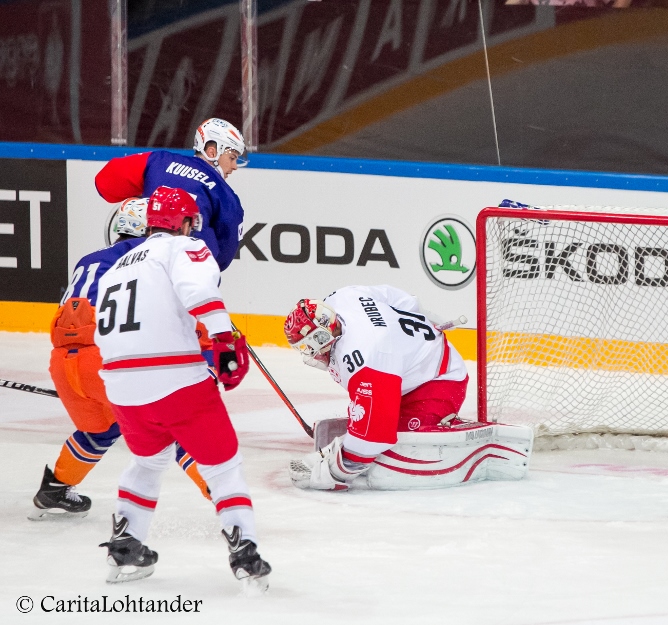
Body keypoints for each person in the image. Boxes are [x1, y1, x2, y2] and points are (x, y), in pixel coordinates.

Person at [93, 186, 270, 589]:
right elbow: (199, 292)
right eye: (192, 222)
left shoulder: (117, 266)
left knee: (147, 463)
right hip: (176, 381)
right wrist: (224, 340)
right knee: (224, 468)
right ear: (185, 222)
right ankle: (244, 551)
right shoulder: (182, 249)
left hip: (121, 388)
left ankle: (126, 546)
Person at [31, 198, 210, 520]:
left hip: (64, 364)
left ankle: (55, 487)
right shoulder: (149, 260)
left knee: (100, 430)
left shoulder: (88, 260)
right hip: (107, 358)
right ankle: (224, 495)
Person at [285, 285, 532, 491]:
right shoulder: (343, 298)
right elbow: (404, 301)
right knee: (375, 428)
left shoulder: (365, 355)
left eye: (309, 346)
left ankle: (477, 441)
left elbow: (374, 439)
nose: (311, 355)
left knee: (388, 464)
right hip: (400, 372)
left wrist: (329, 470)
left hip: (437, 381)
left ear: (320, 337)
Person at [94, 118, 246, 272]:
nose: (234, 166)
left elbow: (105, 183)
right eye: (232, 157)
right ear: (212, 152)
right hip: (190, 272)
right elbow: (224, 254)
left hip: (140, 264)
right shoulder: (226, 194)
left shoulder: (159, 160)